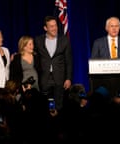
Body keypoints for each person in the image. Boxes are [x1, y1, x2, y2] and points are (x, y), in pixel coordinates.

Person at [34, 15, 73, 144]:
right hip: (44, 78)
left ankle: (60, 135)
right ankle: (46, 135)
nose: (54, 28)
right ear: (45, 28)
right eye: (51, 26)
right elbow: (33, 57)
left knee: (59, 106)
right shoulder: (38, 40)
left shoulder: (64, 40)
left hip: (60, 78)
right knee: (45, 106)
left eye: (55, 25)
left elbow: (69, 61)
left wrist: (68, 78)